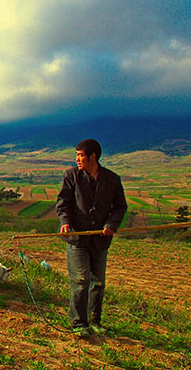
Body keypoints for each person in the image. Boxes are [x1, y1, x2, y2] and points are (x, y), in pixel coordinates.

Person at [55, 138, 127, 337]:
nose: (77, 160)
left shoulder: (112, 180)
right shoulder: (71, 176)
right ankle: (78, 323)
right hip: (77, 238)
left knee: (98, 282)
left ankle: (95, 321)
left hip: (100, 239)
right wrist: (65, 222)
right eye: (76, 156)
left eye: (81, 156)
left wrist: (111, 225)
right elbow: (63, 203)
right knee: (80, 280)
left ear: (92, 156)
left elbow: (120, 207)